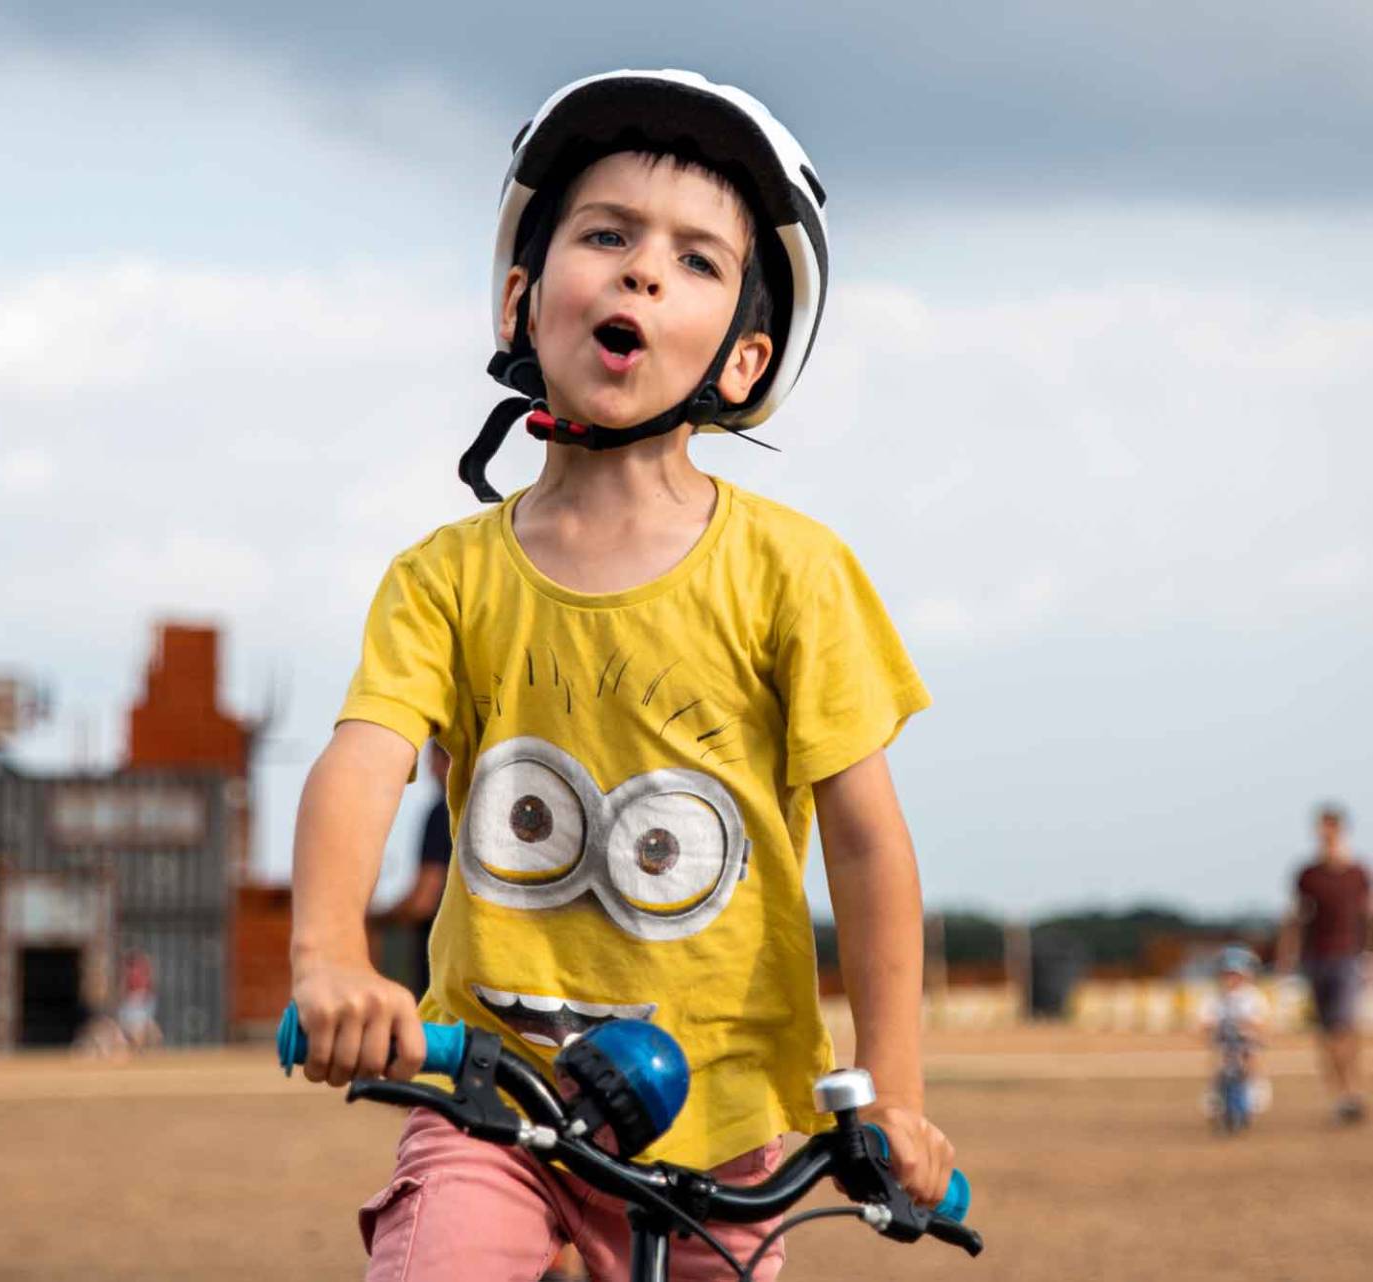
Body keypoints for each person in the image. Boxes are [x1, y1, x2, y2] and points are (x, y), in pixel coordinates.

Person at [289, 69, 952, 1282]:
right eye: (606, 235)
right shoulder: (444, 578)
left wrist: (890, 1095)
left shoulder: (793, 574)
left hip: (733, 1123)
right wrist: (333, 954)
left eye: (697, 260)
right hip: (494, 1099)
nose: (644, 269)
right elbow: (364, 760)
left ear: (744, 360)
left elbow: (866, 846)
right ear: (520, 300)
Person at [1278, 803, 1370, 1123]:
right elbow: (1295, 918)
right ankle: (1341, 1096)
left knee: (1345, 1028)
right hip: (1316, 959)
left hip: (1348, 957)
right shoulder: (1308, 875)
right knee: (1325, 1033)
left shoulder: (1358, 873)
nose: (1323, 833)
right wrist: (1285, 959)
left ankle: (1353, 1092)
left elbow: (1367, 917)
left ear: (1340, 830)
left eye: (1328, 827)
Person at [376, 743, 453, 998]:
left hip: (440, 975)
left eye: (435, 761)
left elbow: (423, 900)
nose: (430, 769)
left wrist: (379, 919)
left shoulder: (444, 813)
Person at [1199, 944, 1269, 1122]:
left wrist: (1250, 1030)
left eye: (1236, 975)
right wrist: (1210, 1031)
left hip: (1245, 1040)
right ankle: (1215, 1090)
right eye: (1227, 974)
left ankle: (1254, 1085)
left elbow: (1260, 1023)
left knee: (1251, 1055)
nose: (1231, 980)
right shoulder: (1213, 997)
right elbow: (1205, 1023)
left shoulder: (1253, 997)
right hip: (1223, 1039)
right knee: (1217, 1058)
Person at [117, 949, 163, 1051]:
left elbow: (150, 989)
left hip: (142, 1009)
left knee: (154, 1034)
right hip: (132, 1010)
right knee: (138, 1035)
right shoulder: (128, 976)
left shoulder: (145, 977)